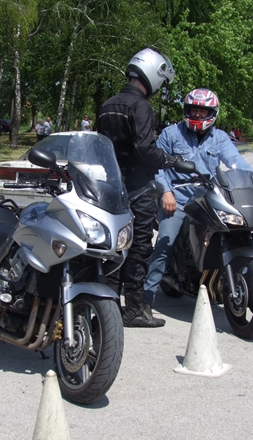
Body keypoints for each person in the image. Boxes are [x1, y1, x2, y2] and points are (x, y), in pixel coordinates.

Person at [142, 88, 253, 319]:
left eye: (203, 111)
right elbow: (156, 166)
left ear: (212, 113)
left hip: (208, 197)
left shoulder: (220, 138)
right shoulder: (171, 134)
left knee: (238, 231)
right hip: (177, 199)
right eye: (194, 109)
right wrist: (166, 192)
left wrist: (252, 177)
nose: (198, 114)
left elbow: (234, 161)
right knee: (165, 244)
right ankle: (146, 298)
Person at [97, 48, 177, 328]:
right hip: (138, 187)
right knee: (139, 246)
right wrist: (170, 160)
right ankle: (133, 310)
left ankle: (106, 307)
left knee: (113, 245)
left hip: (111, 186)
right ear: (153, 74)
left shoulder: (107, 104)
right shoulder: (141, 106)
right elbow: (144, 149)